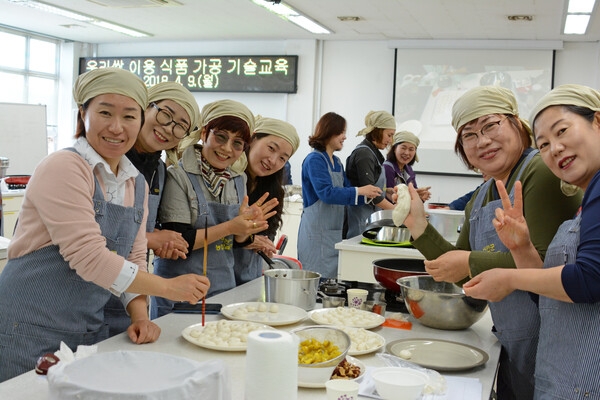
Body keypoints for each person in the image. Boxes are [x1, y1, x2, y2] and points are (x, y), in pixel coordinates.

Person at [0, 68, 210, 382]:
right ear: (82, 114)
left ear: (139, 121)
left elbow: (134, 258)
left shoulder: (135, 183)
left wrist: (140, 315)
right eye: (105, 112)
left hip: (86, 328)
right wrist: (167, 288)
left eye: (128, 116)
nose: (116, 127)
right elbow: (90, 259)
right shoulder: (65, 167)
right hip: (29, 329)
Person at [401, 85, 582, 400]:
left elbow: (542, 262)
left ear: (516, 124)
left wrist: (469, 262)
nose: (482, 140)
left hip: (553, 341)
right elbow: (458, 269)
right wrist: (418, 224)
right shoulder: (482, 194)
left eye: (490, 125)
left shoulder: (540, 168)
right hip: (514, 339)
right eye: (469, 135)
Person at [463, 84, 600, 399]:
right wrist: (522, 248)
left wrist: (509, 276)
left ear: (597, 122)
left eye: (562, 131)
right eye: (545, 143)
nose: (555, 149)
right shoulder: (588, 198)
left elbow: (591, 280)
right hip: (565, 378)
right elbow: (552, 298)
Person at [152, 99, 274, 318]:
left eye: (238, 143)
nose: (227, 148)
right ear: (204, 133)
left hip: (222, 290)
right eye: (221, 137)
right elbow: (180, 242)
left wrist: (245, 233)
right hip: (179, 294)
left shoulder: (238, 179)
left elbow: (234, 243)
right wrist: (232, 227)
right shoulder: (178, 176)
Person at [103, 81, 200, 337]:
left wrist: (140, 316)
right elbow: (90, 242)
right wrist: (153, 239)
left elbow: (135, 248)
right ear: (144, 107)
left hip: (126, 295)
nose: (169, 128)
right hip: (73, 296)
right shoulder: (101, 161)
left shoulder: (157, 171)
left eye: (181, 126)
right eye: (166, 114)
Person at [298, 112, 382, 278]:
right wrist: (360, 191)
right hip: (315, 235)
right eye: (341, 132)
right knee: (315, 284)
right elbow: (326, 193)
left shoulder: (336, 162)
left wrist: (377, 193)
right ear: (329, 131)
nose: (344, 137)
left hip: (333, 234)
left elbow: (348, 191)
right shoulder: (314, 160)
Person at [232, 116, 300, 284]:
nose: (273, 160)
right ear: (253, 138)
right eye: (271, 148)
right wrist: (245, 238)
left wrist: (263, 242)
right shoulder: (228, 178)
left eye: (283, 158)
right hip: (216, 273)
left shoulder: (273, 191)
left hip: (248, 274)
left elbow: (268, 232)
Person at [345, 110, 396, 239]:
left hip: (371, 219)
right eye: (389, 135)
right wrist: (396, 211)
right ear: (378, 131)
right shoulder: (364, 154)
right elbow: (370, 193)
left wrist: (386, 191)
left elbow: (371, 185)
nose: (390, 140)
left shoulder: (372, 153)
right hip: (361, 221)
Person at [383, 130, 431, 203]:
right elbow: (390, 198)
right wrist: (413, 196)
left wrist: (420, 197)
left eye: (411, 149)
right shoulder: (387, 168)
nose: (407, 153)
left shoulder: (408, 169)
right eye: (403, 148)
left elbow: (413, 195)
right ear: (394, 149)